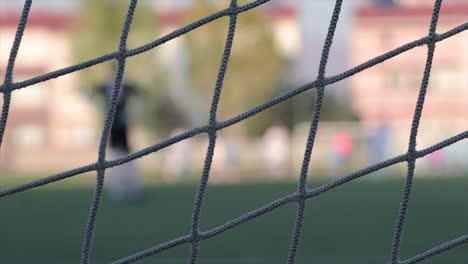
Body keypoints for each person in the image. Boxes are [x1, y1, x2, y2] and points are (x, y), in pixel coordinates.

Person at [93, 66, 144, 202]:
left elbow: (141, 95)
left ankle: (133, 190)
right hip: (113, 130)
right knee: (115, 159)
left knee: (128, 160)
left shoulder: (125, 87)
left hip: (123, 129)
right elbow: (91, 93)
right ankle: (118, 192)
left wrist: (133, 113)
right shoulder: (105, 88)